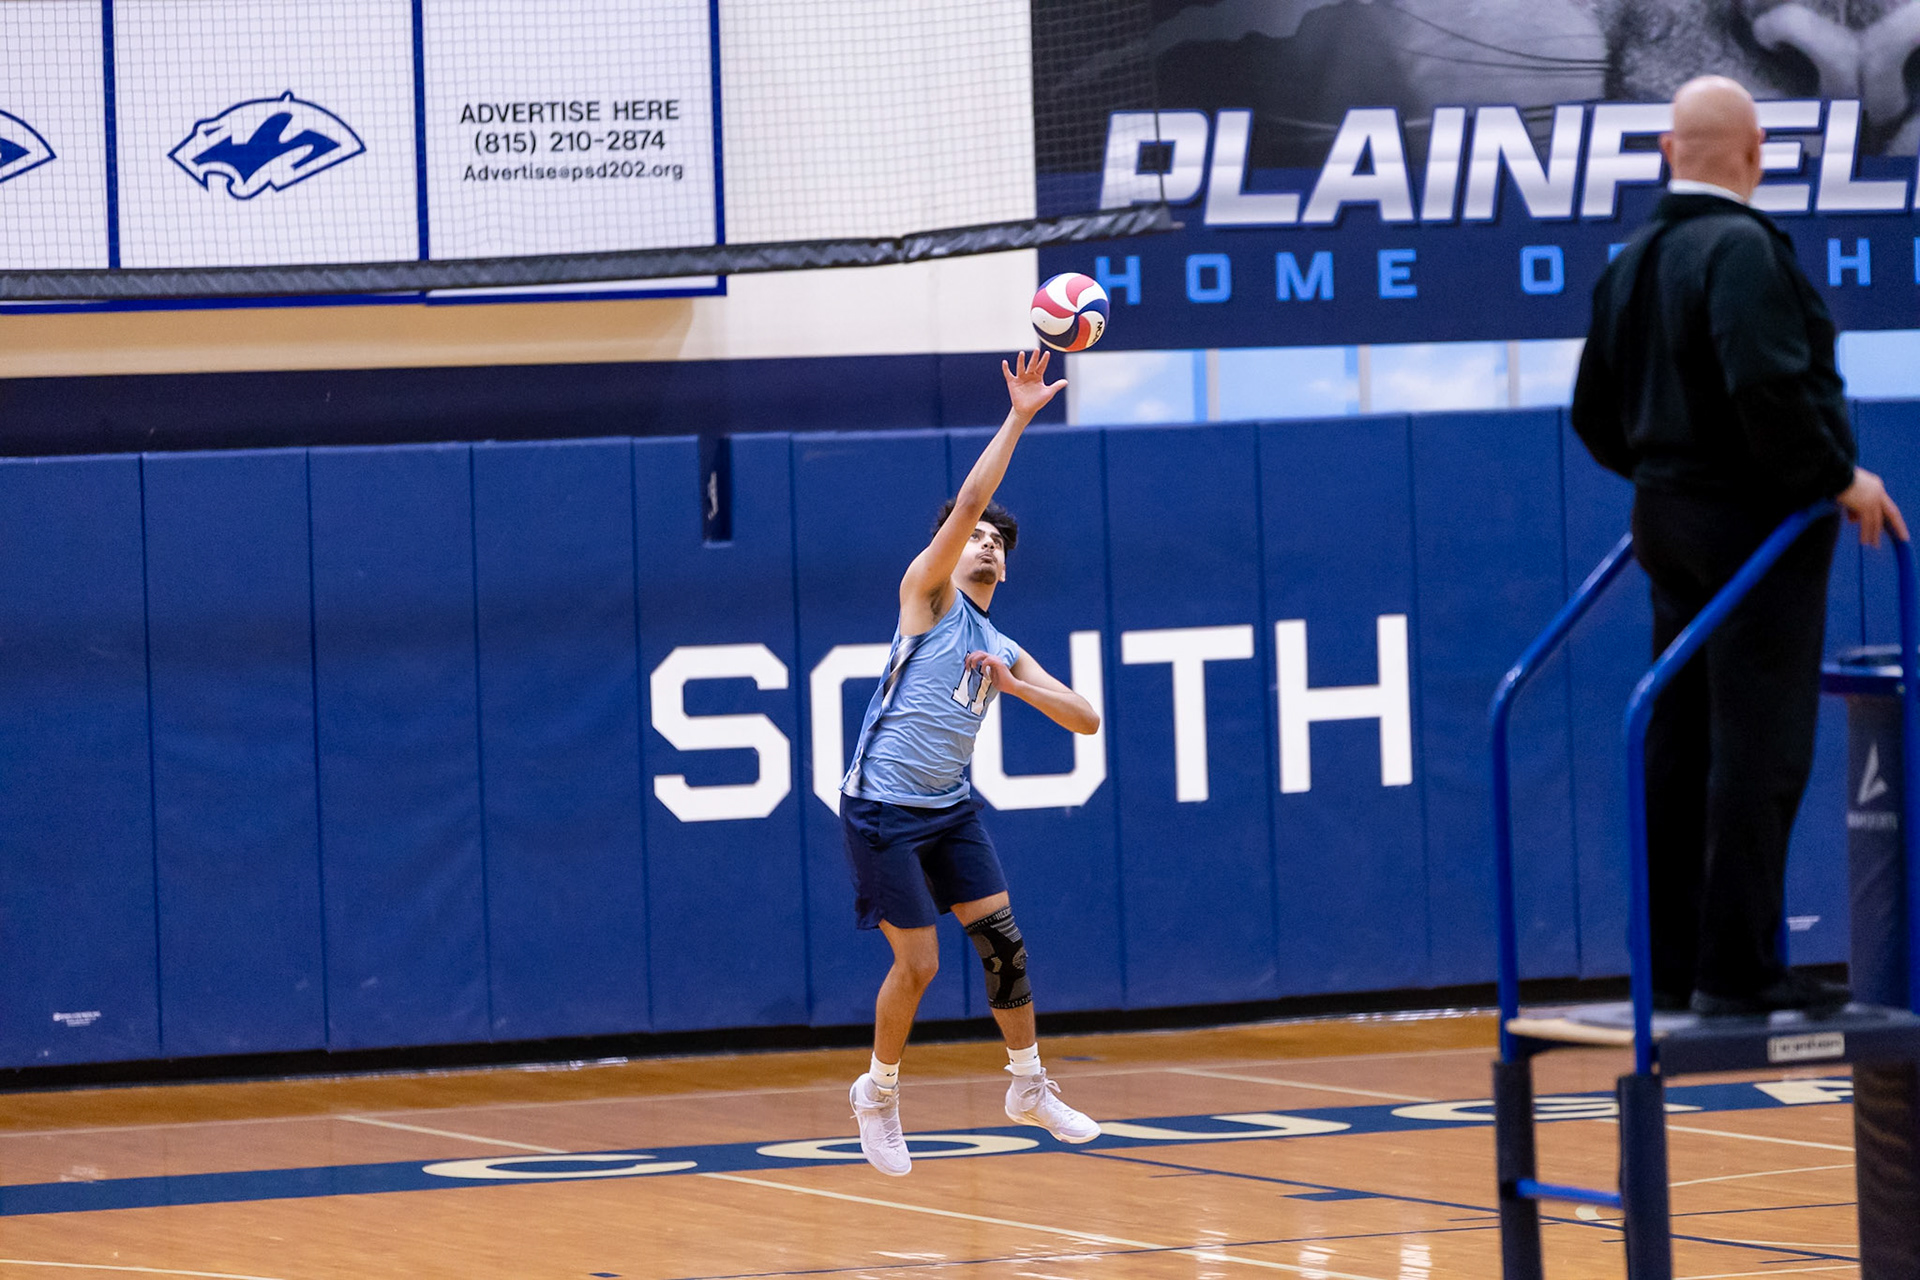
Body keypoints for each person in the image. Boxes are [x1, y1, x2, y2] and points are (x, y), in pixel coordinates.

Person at [1572, 75, 1908, 1017]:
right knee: (1760, 747)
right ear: (1756, 155)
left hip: (1666, 523)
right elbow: (1767, 386)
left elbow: (1592, 413)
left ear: (1668, 153)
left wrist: (1667, 474)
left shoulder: (1633, 260)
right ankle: (1739, 969)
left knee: (1678, 743)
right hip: (1753, 532)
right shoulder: (1745, 250)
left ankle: (1673, 962)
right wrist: (1837, 476)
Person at [840, 348, 1103, 1175]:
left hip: (948, 807)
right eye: (975, 536)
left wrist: (1016, 687)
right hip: (881, 806)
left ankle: (1027, 1084)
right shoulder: (929, 595)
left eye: (996, 542)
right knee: (919, 962)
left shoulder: (1001, 644)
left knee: (1003, 943)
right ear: (950, 549)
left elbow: (1086, 718)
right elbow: (971, 500)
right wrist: (1019, 417)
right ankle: (878, 1094)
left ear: (1007, 566)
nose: (985, 543)